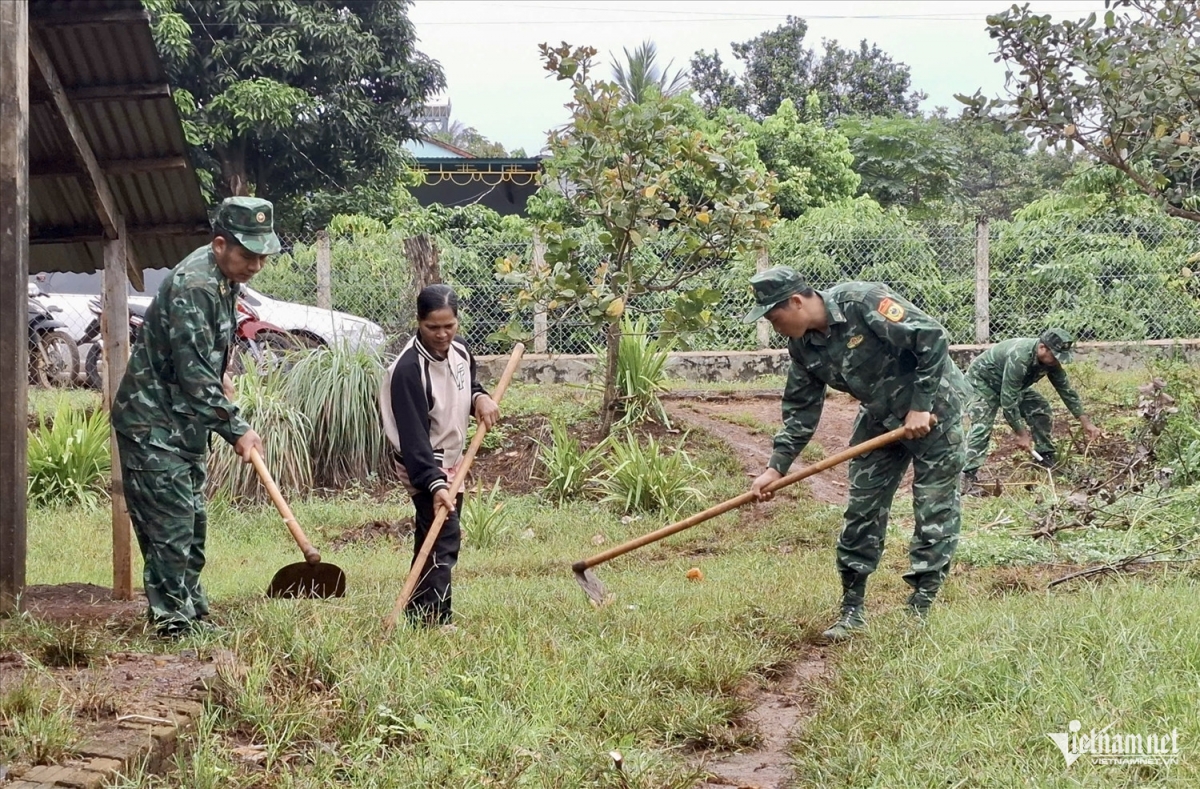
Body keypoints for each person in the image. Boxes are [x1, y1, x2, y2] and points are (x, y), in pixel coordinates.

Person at [743, 267, 968, 642]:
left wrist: (920, 406)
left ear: (796, 301)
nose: (772, 325)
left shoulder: (862, 302)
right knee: (862, 508)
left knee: (934, 509)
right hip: (880, 418)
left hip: (936, 411)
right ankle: (852, 611)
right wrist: (775, 469)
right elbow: (800, 410)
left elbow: (931, 336)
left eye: (773, 316)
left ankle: (919, 609)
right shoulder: (802, 346)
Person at [111, 197, 276, 638]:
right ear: (220, 244)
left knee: (193, 520)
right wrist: (236, 428)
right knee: (171, 525)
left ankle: (191, 608)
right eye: (248, 254)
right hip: (151, 424)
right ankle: (172, 624)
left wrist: (222, 376)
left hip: (184, 423)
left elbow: (205, 353)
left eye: (263, 256)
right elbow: (193, 376)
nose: (256, 265)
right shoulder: (195, 286)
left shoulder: (225, 279)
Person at [379, 284, 500, 628]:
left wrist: (480, 398)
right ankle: (434, 620)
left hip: (452, 458)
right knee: (443, 536)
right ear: (419, 322)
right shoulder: (407, 371)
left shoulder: (460, 350)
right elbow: (413, 439)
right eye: (433, 327)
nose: (442, 334)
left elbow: (467, 386)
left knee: (434, 536)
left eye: (449, 326)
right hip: (422, 463)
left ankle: (420, 612)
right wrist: (435, 484)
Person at [961, 328, 1102, 495]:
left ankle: (1045, 456)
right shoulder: (1020, 357)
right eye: (1056, 356)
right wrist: (1021, 434)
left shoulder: (1050, 362)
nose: (1058, 361)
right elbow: (1008, 401)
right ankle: (965, 477)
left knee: (1040, 409)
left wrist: (1086, 423)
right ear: (1042, 348)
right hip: (981, 384)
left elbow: (1066, 390)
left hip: (1010, 386)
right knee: (982, 425)